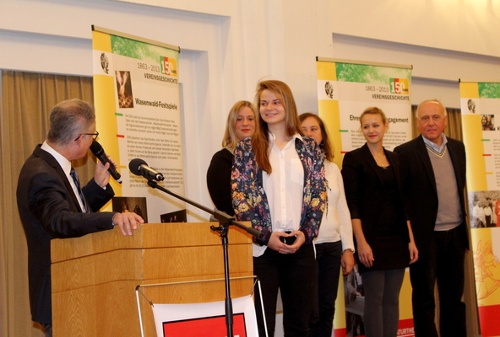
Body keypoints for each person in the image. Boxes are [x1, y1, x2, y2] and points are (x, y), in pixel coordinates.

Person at [16, 99, 144, 337]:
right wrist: (112, 218)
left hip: (74, 287)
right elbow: (60, 222)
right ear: (79, 139)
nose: (93, 141)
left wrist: (96, 186)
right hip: (63, 292)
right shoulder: (41, 174)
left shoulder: (51, 166)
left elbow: (70, 212)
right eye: (92, 134)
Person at [231, 80, 327, 337]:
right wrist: (265, 236)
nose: (269, 108)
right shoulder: (246, 148)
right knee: (262, 326)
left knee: (299, 325)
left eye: (275, 102)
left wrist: (306, 233)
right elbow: (241, 199)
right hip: (263, 249)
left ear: (288, 104)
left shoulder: (309, 148)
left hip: (301, 246)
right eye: (263, 103)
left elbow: (319, 195)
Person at [341, 107, 418, 337]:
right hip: (371, 239)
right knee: (374, 299)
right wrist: (361, 243)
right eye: (366, 126)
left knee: (392, 300)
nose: (371, 130)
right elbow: (351, 205)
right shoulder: (354, 159)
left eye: (375, 125)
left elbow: (403, 204)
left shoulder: (395, 158)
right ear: (361, 130)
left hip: (397, 238)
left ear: (386, 126)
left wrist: (411, 240)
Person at [394, 99, 468, 337]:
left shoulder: (459, 148)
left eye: (436, 117)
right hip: (425, 239)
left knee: (453, 298)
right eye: (425, 118)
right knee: (424, 299)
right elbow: (401, 200)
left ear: (445, 121)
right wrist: (409, 238)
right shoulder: (404, 153)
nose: (431, 122)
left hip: (455, 234)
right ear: (417, 123)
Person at [299, 112, 355, 337]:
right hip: (307, 247)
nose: (309, 134)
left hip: (332, 246)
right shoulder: (293, 168)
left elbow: (342, 208)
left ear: (322, 135)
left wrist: (348, 248)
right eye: (303, 130)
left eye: (314, 129)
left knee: (327, 308)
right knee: (309, 311)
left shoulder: (332, 168)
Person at [206, 100, 256, 216]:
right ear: (232, 124)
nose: (245, 123)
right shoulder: (221, 160)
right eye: (239, 119)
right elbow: (224, 204)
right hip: (234, 229)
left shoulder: (267, 157)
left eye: (250, 118)